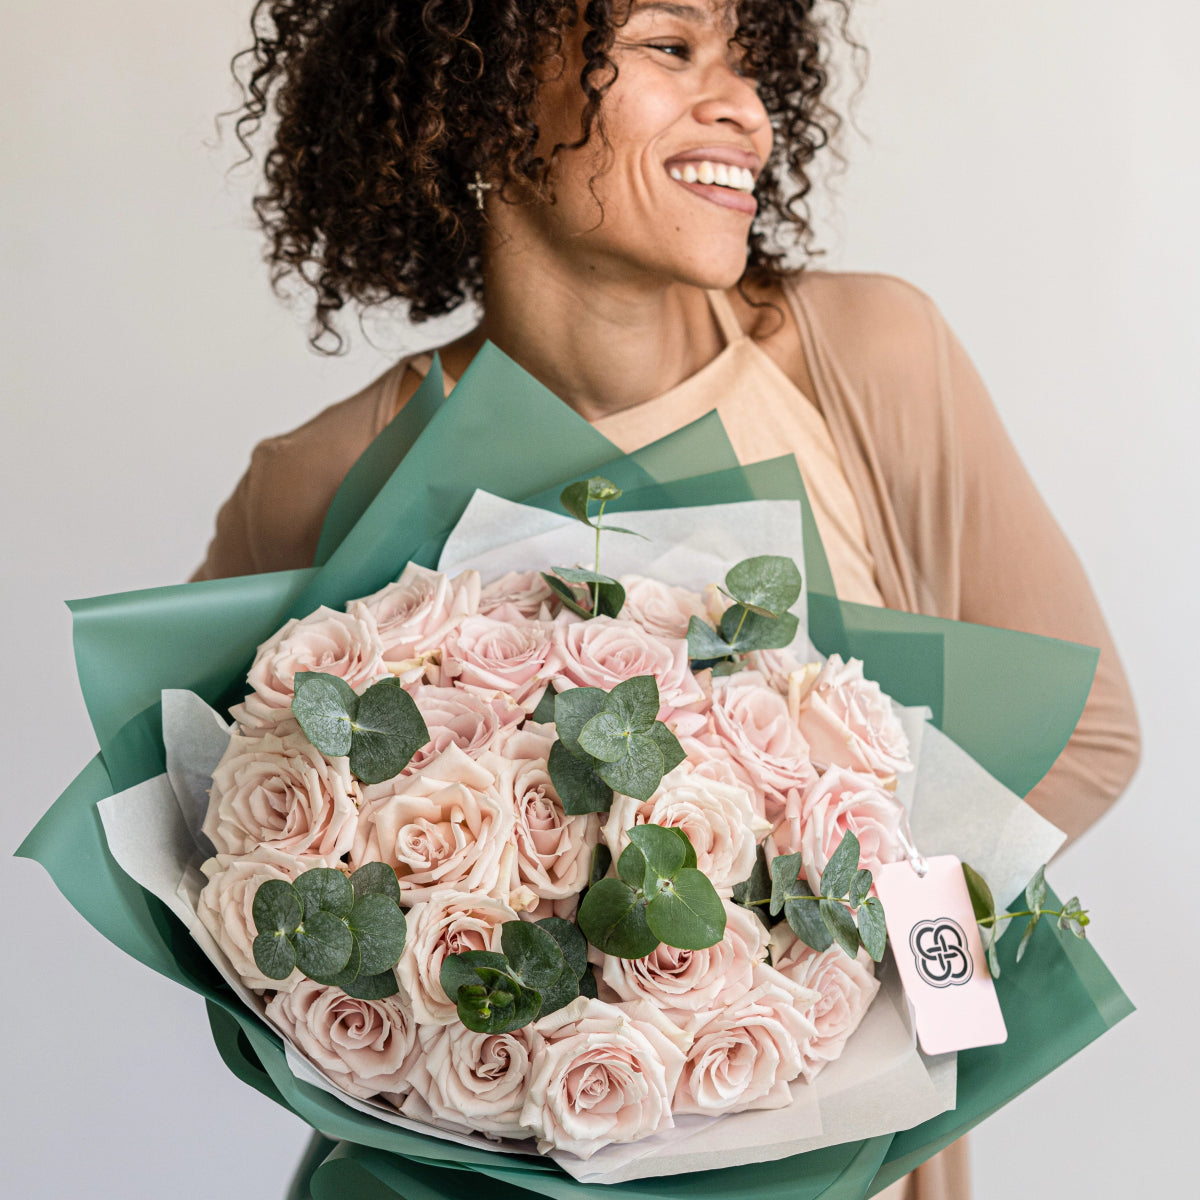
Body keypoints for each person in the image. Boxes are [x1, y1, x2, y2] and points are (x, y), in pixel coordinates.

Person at [195, 2, 1141, 1196]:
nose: (743, 104)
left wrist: (839, 1006)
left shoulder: (865, 356)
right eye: (670, 46)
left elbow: (1087, 733)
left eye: (751, 60)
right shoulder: (321, 480)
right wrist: (497, 1060)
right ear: (474, 92)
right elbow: (216, 876)